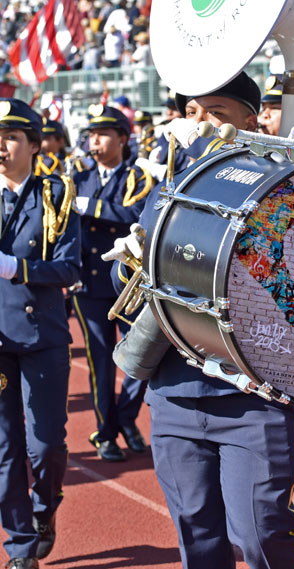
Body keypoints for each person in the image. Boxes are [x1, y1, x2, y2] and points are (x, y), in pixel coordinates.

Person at [113, 72, 294, 568]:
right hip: (175, 391)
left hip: (251, 393)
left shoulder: (286, 190)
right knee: (196, 538)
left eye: (217, 113)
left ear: (251, 119)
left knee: (260, 535)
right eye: (194, 112)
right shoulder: (169, 190)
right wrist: (128, 264)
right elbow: (133, 294)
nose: (200, 125)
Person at [0, 97, 81, 568]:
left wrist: (16, 268)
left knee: (46, 445)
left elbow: (69, 266)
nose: (2, 146)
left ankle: (44, 509)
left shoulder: (55, 195)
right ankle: (20, 546)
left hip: (41, 334)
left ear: (33, 144)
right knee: (6, 449)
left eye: (11, 136)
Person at [72, 104, 152, 462]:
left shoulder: (137, 177)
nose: (95, 141)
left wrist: (91, 206)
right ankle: (106, 432)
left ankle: (127, 418)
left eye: (103, 134)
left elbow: (135, 217)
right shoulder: (77, 177)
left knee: (139, 359)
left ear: (122, 138)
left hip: (126, 284)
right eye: (92, 134)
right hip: (89, 286)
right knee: (100, 363)